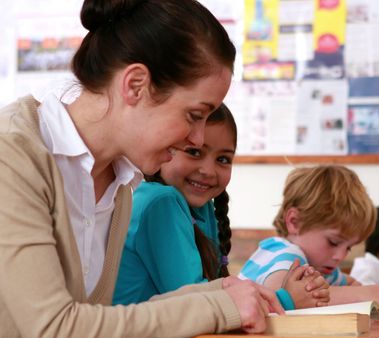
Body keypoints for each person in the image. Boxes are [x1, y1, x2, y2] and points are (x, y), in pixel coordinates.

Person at [0, 1, 284, 337]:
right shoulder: (3, 152)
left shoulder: (121, 178)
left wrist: (217, 290)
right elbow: (56, 327)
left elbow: (104, 315)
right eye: (194, 115)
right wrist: (216, 306)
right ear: (135, 85)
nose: (197, 137)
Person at [113, 104, 329, 309]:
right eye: (195, 152)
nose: (208, 170)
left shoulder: (203, 209)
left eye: (223, 159)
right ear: (167, 148)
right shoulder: (160, 202)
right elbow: (197, 306)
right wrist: (284, 299)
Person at [238, 165, 379, 314]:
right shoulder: (284, 253)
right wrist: (362, 295)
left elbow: (348, 284)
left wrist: (356, 288)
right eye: (333, 242)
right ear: (295, 222)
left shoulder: (322, 269)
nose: (340, 256)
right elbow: (282, 295)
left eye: (349, 247)